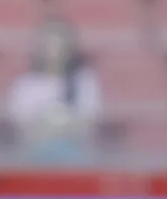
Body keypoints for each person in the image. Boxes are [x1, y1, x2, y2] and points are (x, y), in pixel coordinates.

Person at [8, 17, 102, 161]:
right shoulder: (25, 84)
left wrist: (63, 128)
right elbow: (22, 128)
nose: (55, 47)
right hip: (35, 154)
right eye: (49, 41)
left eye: (60, 40)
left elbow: (88, 124)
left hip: (76, 155)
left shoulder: (84, 81)